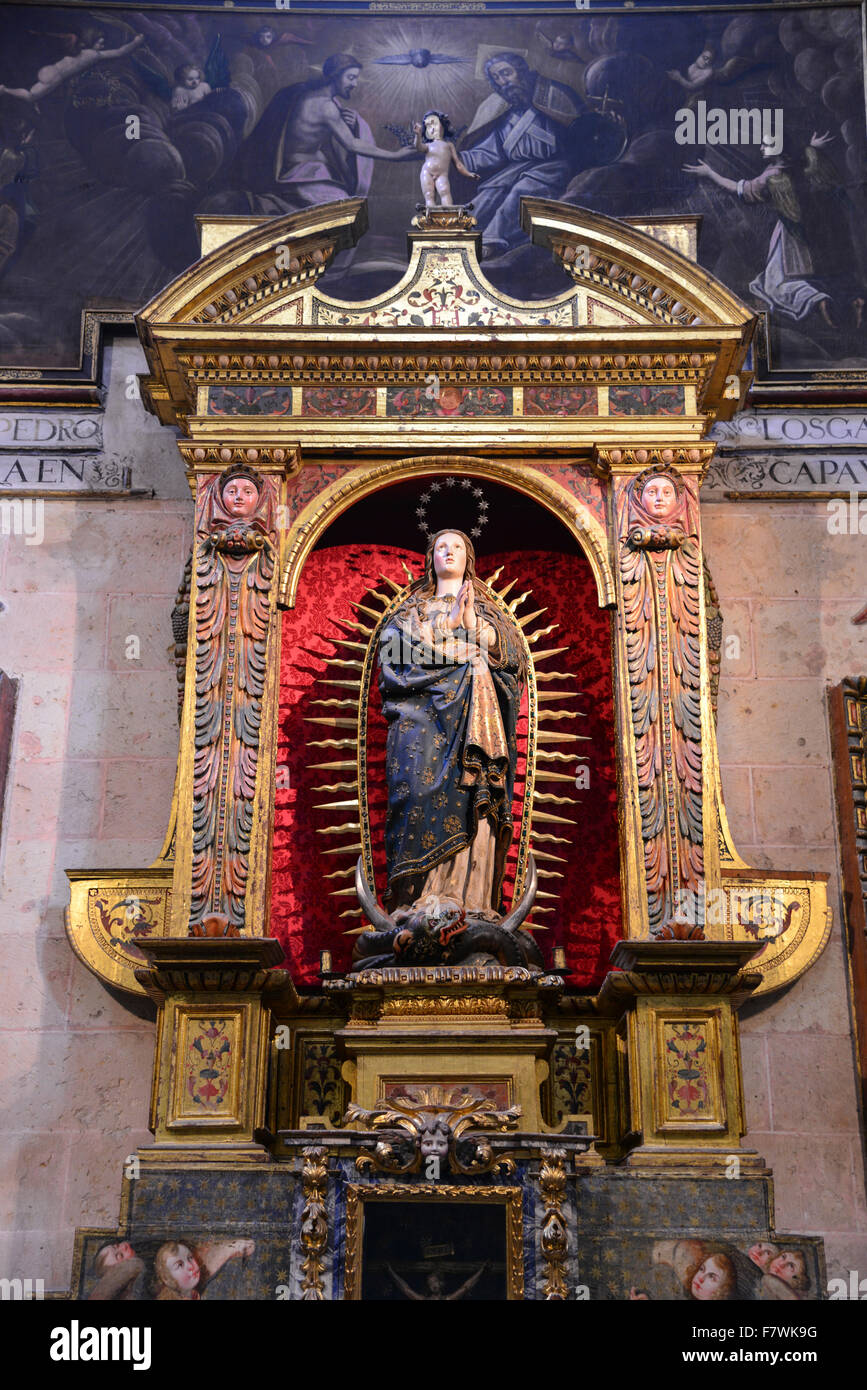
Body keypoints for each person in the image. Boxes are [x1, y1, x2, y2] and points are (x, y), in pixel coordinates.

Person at [378, 529, 526, 916]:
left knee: (470, 797)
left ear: (469, 558)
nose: (448, 552)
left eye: (457, 546)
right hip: (421, 725)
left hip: (473, 727)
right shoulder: (409, 613)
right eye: (441, 546)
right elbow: (392, 662)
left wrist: (474, 624)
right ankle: (417, 903)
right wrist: (449, 641)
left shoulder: (487, 611)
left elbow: (512, 662)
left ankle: (469, 901)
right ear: (430, 558)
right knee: (417, 794)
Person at [238, 53, 412, 211]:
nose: (355, 84)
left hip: (310, 170)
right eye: (350, 78)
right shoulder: (325, 106)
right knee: (343, 207)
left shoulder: (317, 98)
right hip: (298, 175)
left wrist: (350, 124)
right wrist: (395, 155)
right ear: (335, 76)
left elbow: (323, 137)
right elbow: (351, 144)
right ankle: (269, 204)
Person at [459, 52, 583, 256]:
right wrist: (456, 159)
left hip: (553, 168)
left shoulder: (555, 96)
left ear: (522, 71)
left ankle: (491, 244)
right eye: (496, 78)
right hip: (515, 169)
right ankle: (459, 237)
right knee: (489, 194)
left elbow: (584, 132)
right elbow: (492, 152)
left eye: (506, 73)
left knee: (520, 192)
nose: (503, 82)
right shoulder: (505, 113)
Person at [412, 111, 479, 207]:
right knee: (429, 194)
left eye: (434, 124)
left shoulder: (449, 145)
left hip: (442, 174)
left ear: (443, 125)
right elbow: (418, 147)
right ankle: (431, 212)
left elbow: (458, 164)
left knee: (445, 192)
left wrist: (469, 174)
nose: (432, 129)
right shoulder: (428, 145)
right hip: (427, 172)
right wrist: (418, 135)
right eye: (428, 126)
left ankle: (449, 212)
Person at [153, 1238, 254, 1300]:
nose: (191, 1266)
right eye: (180, 1265)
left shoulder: (195, 1294)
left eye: (190, 1258)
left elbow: (250, 1246)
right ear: (166, 1278)